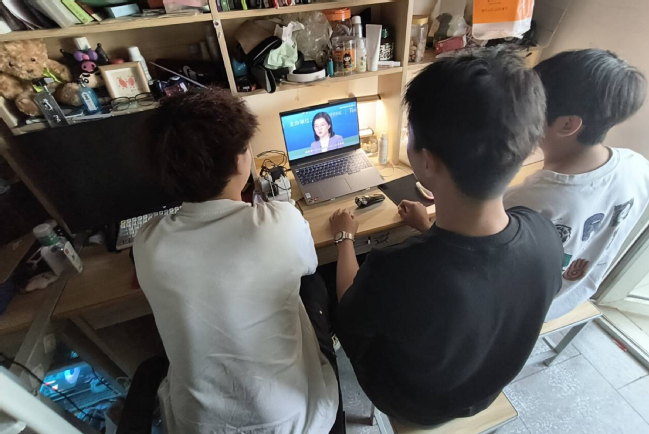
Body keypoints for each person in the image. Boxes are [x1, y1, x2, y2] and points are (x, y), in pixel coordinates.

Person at [328, 47, 564, 426]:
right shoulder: (545, 235)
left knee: (328, 295)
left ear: (427, 160)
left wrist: (344, 238)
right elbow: (480, 274)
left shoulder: (397, 269)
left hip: (413, 403)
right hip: (481, 389)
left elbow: (348, 310)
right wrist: (428, 228)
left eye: (409, 134)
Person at [133, 88, 341, 434]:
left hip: (196, 426)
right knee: (312, 284)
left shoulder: (148, 241)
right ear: (240, 161)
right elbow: (307, 264)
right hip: (294, 421)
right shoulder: (281, 223)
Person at [504, 49, 649, 320]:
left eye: (529, 105)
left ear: (567, 124)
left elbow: (477, 259)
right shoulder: (638, 167)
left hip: (516, 312)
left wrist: (425, 224)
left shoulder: (526, 201)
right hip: (569, 297)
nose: (519, 112)